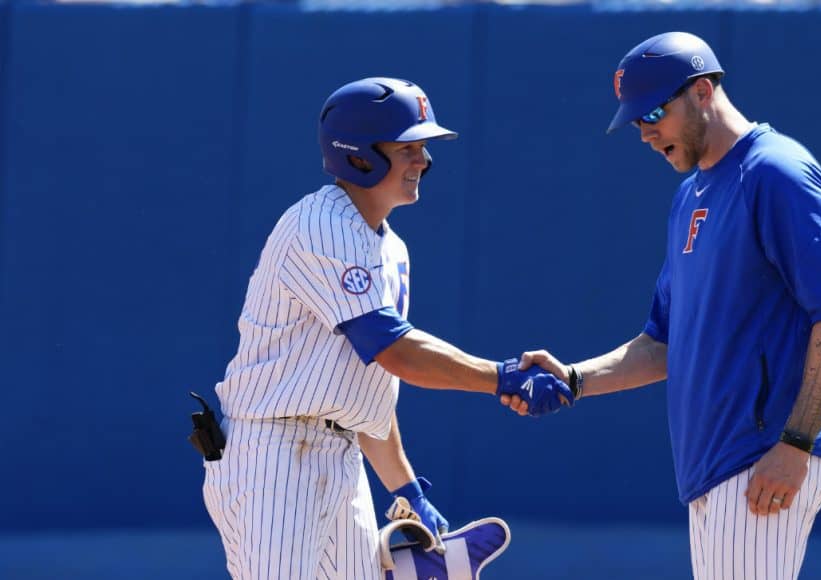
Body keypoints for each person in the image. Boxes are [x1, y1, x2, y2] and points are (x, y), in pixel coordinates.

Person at [502, 32, 821, 579]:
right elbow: (663, 343)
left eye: (653, 112)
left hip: (762, 455)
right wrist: (575, 378)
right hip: (718, 463)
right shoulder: (691, 195)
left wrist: (795, 444)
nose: (646, 133)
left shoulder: (776, 171)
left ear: (701, 91)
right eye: (636, 121)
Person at [201, 77, 573, 580]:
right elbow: (395, 350)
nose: (424, 160)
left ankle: (410, 567)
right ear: (358, 156)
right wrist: (502, 376)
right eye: (408, 148)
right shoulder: (320, 224)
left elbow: (369, 389)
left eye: (423, 147)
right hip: (272, 453)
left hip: (341, 451)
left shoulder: (390, 247)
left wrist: (407, 490)